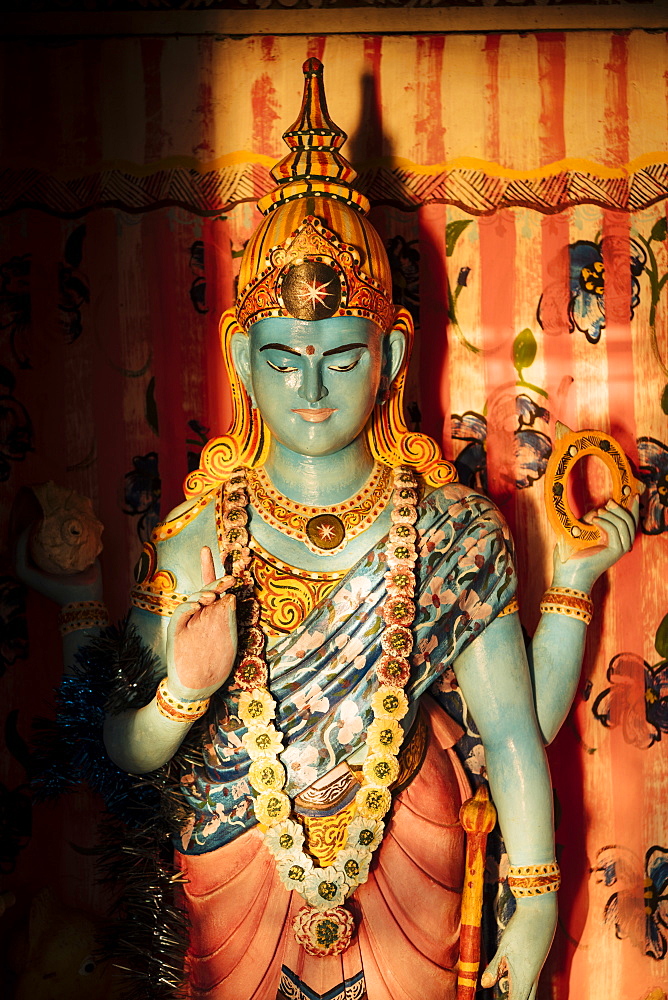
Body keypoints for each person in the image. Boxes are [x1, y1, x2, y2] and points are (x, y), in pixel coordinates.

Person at [19, 59, 638, 1000]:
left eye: (342, 356)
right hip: (230, 874)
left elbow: (512, 732)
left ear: (390, 354)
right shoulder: (198, 537)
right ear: (240, 354)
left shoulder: (453, 530)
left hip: (411, 864)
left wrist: (539, 900)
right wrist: (184, 691)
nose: (310, 388)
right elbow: (120, 751)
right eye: (285, 357)